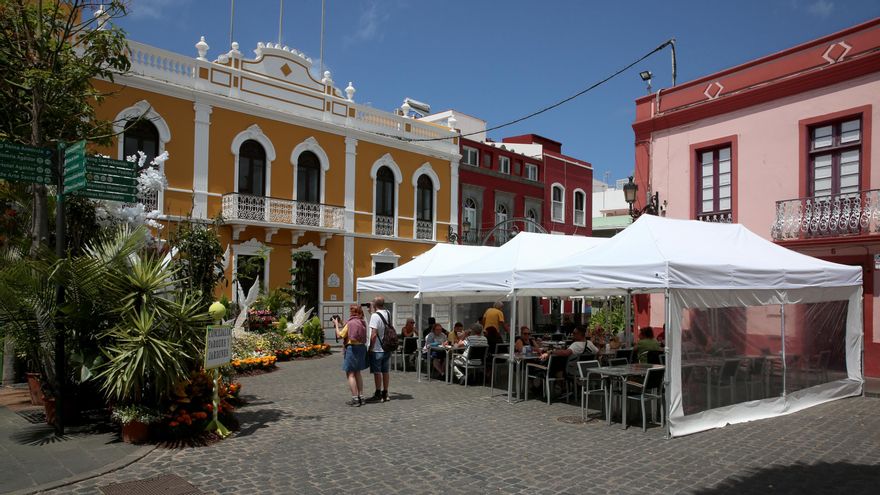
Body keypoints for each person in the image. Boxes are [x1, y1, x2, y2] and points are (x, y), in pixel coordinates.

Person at [334, 304, 367, 407]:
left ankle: (355, 398)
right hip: (361, 348)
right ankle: (361, 396)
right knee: (358, 372)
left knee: (350, 374)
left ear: (352, 312)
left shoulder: (350, 322)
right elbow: (351, 328)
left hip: (352, 348)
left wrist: (336, 324)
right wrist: (341, 322)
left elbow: (340, 335)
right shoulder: (362, 322)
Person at [367, 296, 392, 403]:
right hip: (387, 347)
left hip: (377, 348)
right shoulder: (388, 313)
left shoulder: (375, 316)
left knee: (377, 372)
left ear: (375, 304)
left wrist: (370, 348)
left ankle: (378, 392)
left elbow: (373, 334)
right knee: (385, 371)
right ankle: (385, 392)